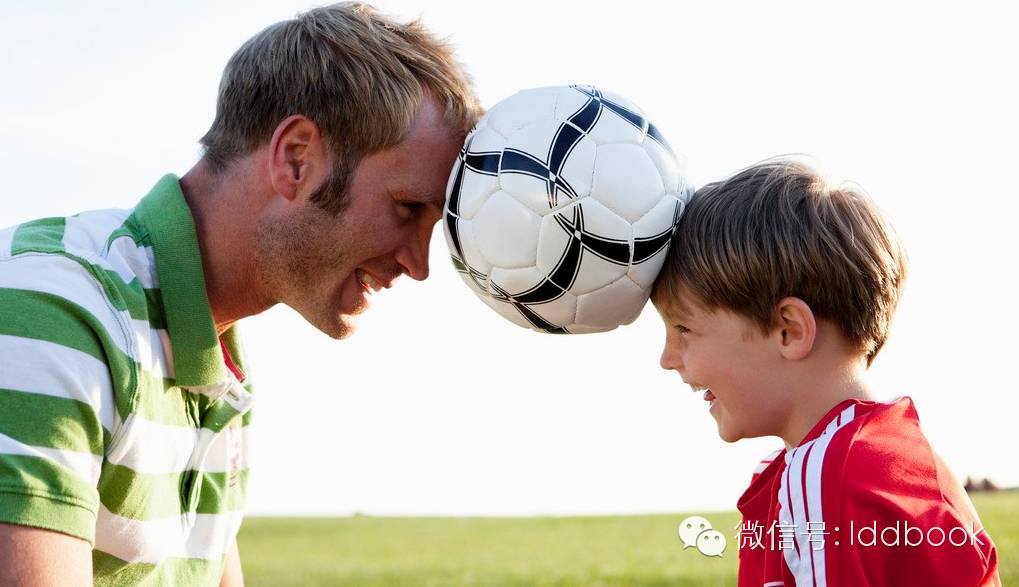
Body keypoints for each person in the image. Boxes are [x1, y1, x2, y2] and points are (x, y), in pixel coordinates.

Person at [0, 3, 480, 585]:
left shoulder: (218, 363)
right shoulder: (51, 314)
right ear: (296, 158)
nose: (418, 264)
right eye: (407, 208)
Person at [651, 159, 1001, 586]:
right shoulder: (902, 460)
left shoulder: (826, 476)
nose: (668, 358)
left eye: (684, 329)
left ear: (789, 330)